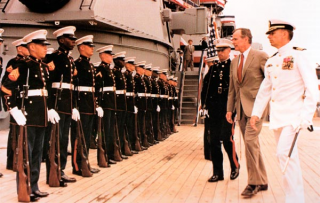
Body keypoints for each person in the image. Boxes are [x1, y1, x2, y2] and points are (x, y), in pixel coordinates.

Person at [250, 19, 319, 203]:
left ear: (284, 33)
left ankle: (294, 199)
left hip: (294, 117)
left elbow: (312, 88)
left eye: (272, 33)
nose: (269, 36)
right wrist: (256, 113)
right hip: (278, 118)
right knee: (289, 158)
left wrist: (306, 117)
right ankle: (295, 198)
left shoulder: (300, 56)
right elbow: (266, 89)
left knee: (284, 154)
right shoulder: (272, 60)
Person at [2, 29, 54, 201]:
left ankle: (35, 186)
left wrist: (49, 109)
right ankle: (24, 189)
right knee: (26, 153)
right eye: (42, 45)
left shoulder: (43, 66)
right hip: (28, 114)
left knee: (38, 153)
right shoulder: (23, 65)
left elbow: (44, 92)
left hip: (40, 114)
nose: (45, 48)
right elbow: (5, 87)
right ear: (32, 47)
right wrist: (13, 109)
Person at [226, 28, 268, 196]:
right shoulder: (234, 62)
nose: (233, 42)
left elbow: (270, 83)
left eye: (235, 39)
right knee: (252, 145)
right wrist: (230, 109)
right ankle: (263, 180)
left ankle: (253, 182)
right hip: (241, 110)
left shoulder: (260, 56)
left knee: (250, 142)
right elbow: (232, 89)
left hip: (256, 109)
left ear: (246, 39)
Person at [202, 39, 240, 182]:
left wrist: (235, 108)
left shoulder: (233, 67)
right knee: (214, 141)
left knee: (226, 138)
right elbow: (207, 89)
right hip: (214, 109)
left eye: (222, 51)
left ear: (229, 51)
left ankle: (235, 166)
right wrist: (205, 106)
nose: (219, 53)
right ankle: (218, 172)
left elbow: (236, 89)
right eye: (218, 51)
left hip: (227, 108)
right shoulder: (214, 68)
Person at [44, 26, 78, 184]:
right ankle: (53, 171)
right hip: (57, 105)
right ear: (61, 40)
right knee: (55, 140)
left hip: (66, 105)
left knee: (64, 139)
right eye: (70, 39)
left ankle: (61, 169)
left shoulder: (70, 60)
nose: (73, 41)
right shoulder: (53, 58)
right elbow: (47, 84)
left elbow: (72, 87)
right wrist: (50, 107)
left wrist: (74, 106)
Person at [71, 35, 102, 176]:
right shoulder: (77, 64)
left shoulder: (90, 65)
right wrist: (75, 106)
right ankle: (77, 166)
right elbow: (74, 87)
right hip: (81, 104)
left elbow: (93, 88)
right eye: (90, 46)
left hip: (89, 104)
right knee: (79, 136)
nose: (92, 49)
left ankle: (85, 162)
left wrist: (95, 105)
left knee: (87, 135)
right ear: (81, 47)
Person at [4, 38, 29, 171]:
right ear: (19, 48)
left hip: (26, 101)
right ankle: (12, 161)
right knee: (15, 133)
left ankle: (23, 159)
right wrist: (11, 106)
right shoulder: (14, 63)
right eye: (26, 47)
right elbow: (7, 85)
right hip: (16, 102)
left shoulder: (29, 63)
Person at [95, 45, 118, 164]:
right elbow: (97, 88)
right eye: (109, 54)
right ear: (102, 55)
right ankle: (103, 156)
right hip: (105, 103)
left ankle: (109, 155)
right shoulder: (101, 69)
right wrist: (98, 104)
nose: (111, 56)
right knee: (104, 131)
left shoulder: (108, 69)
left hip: (111, 103)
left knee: (110, 131)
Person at [113, 51, 129, 159]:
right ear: (116, 61)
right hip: (117, 103)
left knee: (122, 126)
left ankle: (121, 149)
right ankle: (116, 151)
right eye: (121, 60)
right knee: (116, 127)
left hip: (123, 103)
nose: (123, 62)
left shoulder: (121, 73)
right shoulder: (114, 72)